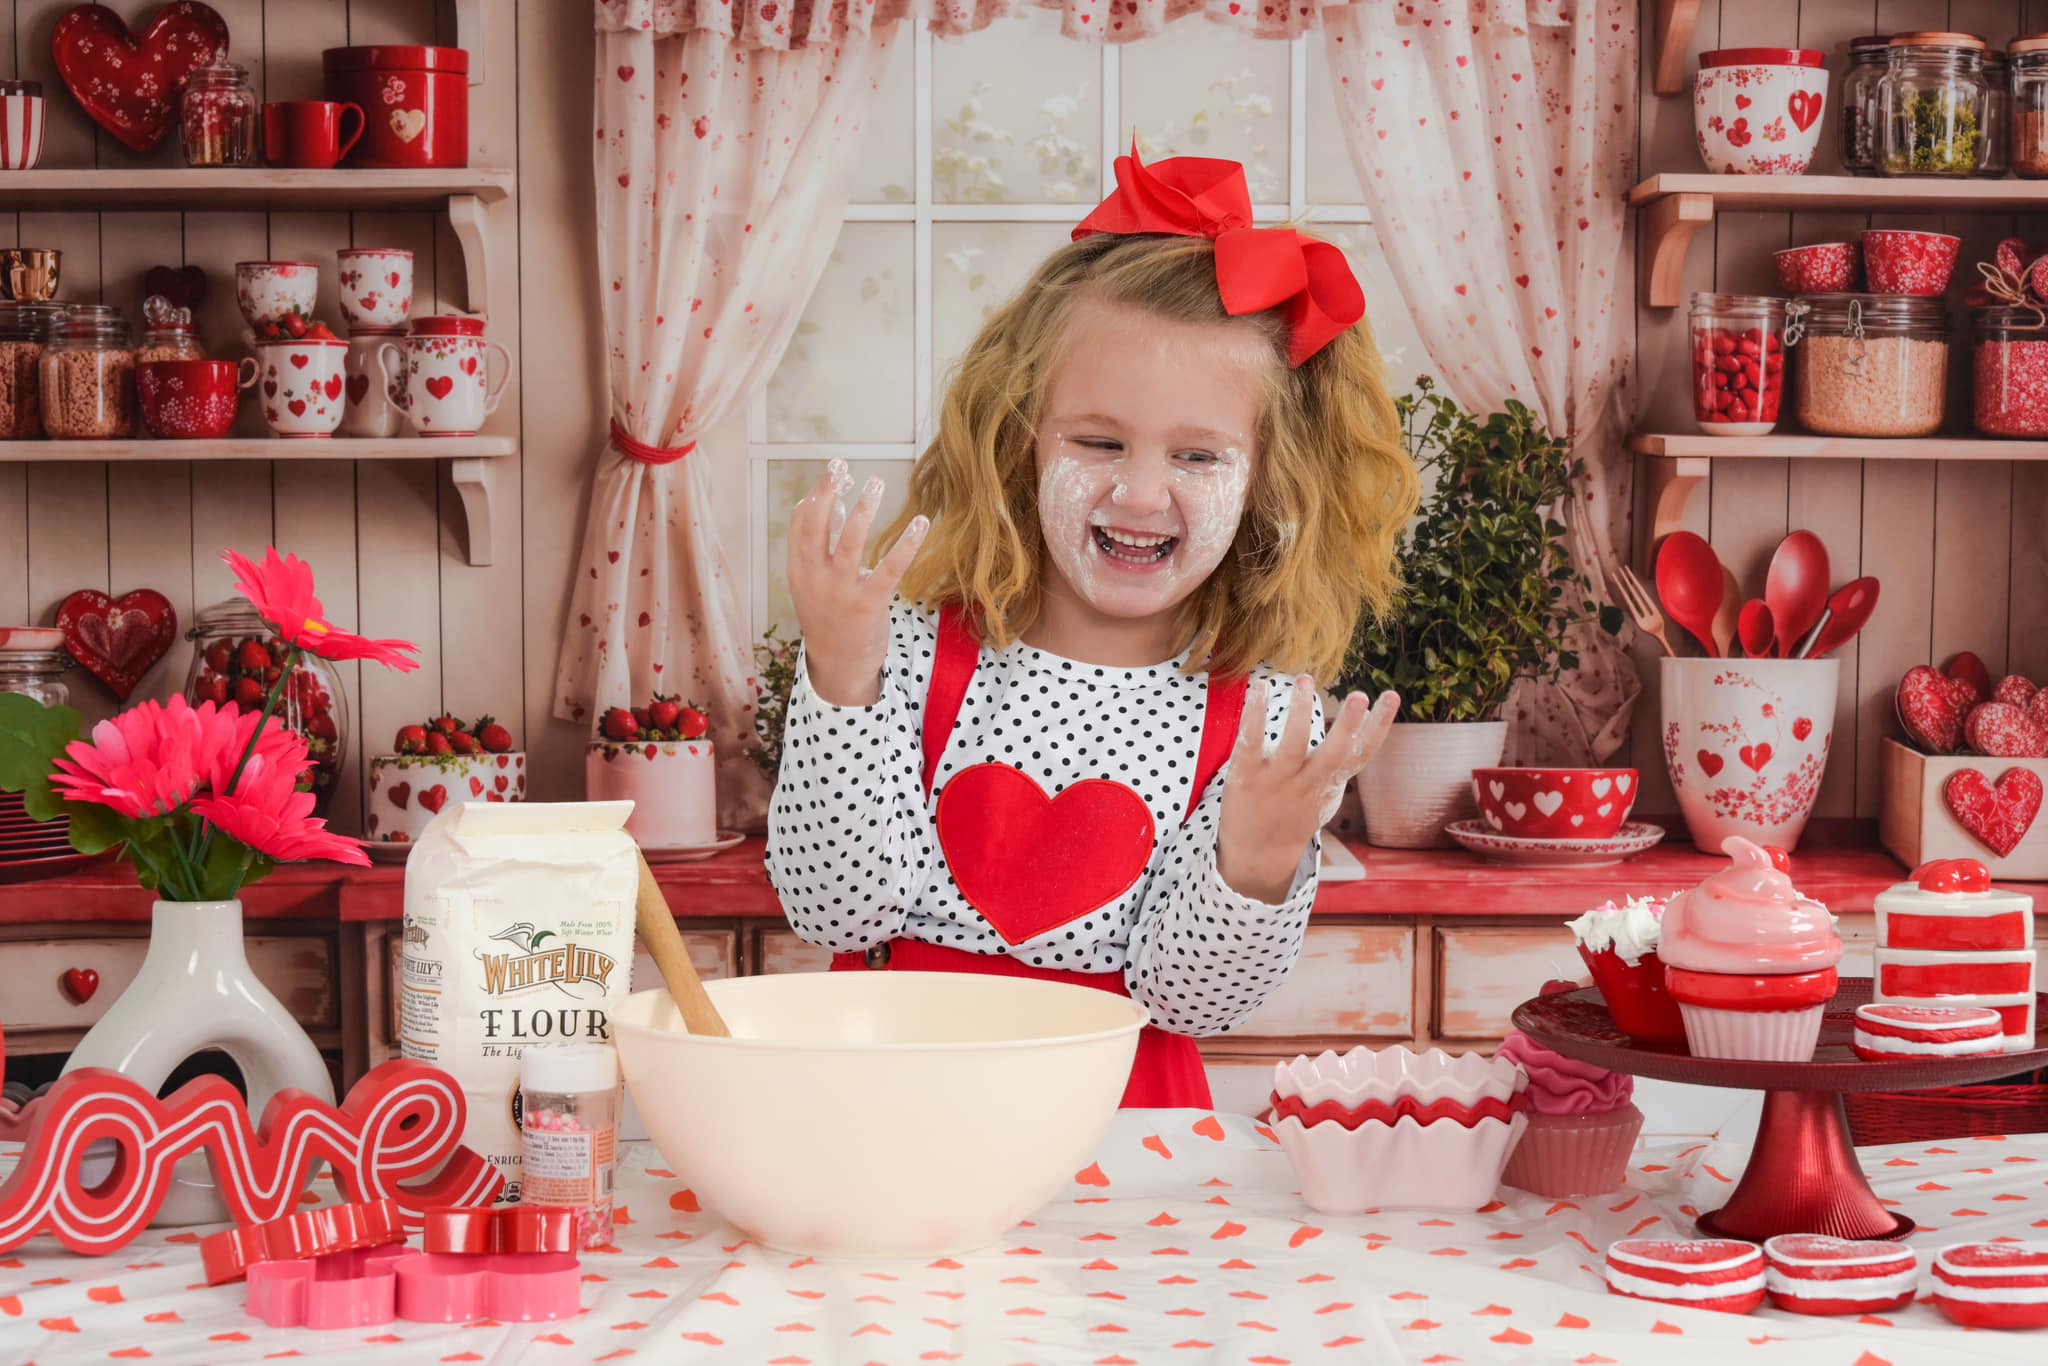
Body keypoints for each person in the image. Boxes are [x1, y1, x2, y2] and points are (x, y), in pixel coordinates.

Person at [765, 146, 1420, 1108]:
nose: (1139, 491)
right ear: (1017, 435)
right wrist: (840, 679)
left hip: (1119, 1141)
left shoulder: (1267, 725)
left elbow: (1191, 1001)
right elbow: (835, 910)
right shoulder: (903, 653)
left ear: (1270, 482)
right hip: (888, 1112)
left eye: (1197, 455)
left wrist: (1260, 855)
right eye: (1098, 441)